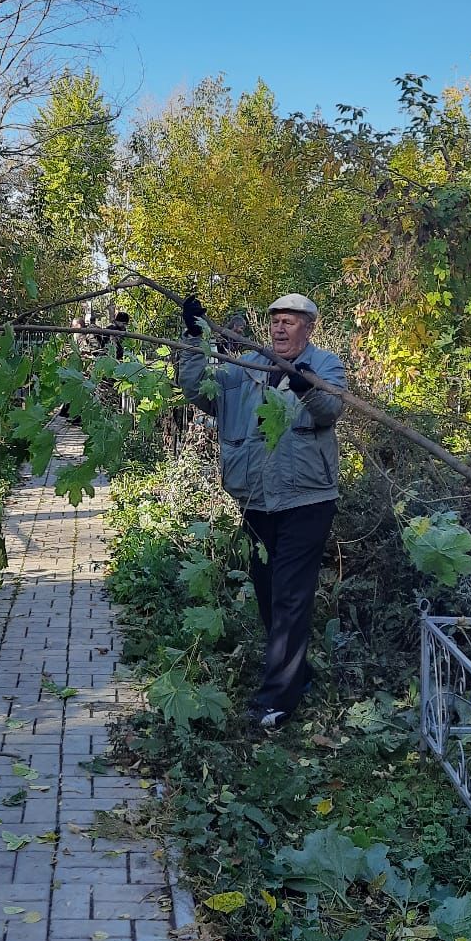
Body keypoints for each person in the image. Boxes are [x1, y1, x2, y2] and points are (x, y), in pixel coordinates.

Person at [178, 292, 346, 731]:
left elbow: (331, 410)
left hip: (307, 499)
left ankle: (276, 701)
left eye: (290, 322)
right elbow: (198, 391)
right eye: (275, 321)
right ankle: (298, 675)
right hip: (256, 500)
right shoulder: (243, 369)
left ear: (308, 327)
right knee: (270, 591)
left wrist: (308, 387)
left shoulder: (325, 365)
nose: (280, 328)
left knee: (290, 595)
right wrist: (195, 339)